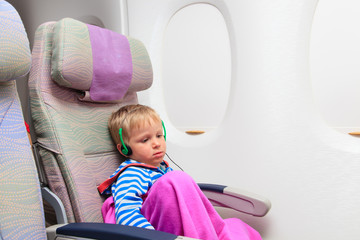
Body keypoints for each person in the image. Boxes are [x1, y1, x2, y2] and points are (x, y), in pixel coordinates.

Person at [98, 104, 262, 240]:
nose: (156, 143)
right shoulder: (131, 174)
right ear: (125, 148)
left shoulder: (161, 169)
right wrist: (154, 237)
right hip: (155, 233)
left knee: (236, 225)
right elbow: (126, 214)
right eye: (145, 140)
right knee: (174, 180)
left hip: (172, 227)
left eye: (159, 135)